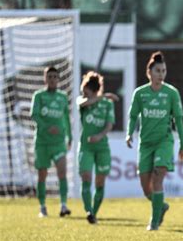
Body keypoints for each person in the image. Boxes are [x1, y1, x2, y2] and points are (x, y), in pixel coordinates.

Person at [126, 51, 183, 231]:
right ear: (149, 72)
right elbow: (132, 116)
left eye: (163, 71)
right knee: (146, 189)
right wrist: (129, 134)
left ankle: (154, 221)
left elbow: (179, 120)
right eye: (158, 71)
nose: (161, 74)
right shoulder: (140, 93)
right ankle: (161, 206)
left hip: (164, 142)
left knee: (158, 179)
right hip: (145, 144)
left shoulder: (171, 93)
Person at [76, 71, 118, 224]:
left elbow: (109, 124)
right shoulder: (82, 101)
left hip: (102, 147)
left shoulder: (107, 104)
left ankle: (94, 213)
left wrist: (99, 136)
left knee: (100, 182)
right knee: (86, 177)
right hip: (85, 147)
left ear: (92, 89)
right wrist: (103, 95)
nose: (83, 93)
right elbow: (82, 103)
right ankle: (88, 211)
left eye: (85, 90)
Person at [30, 66, 72, 218]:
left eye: (55, 76)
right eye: (50, 76)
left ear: (58, 79)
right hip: (42, 142)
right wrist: (48, 127)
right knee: (42, 175)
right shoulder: (39, 96)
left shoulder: (62, 97)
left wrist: (70, 136)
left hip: (59, 142)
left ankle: (63, 205)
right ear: (45, 78)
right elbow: (34, 115)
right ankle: (42, 207)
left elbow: (66, 118)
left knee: (62, 172)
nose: (53, 79)